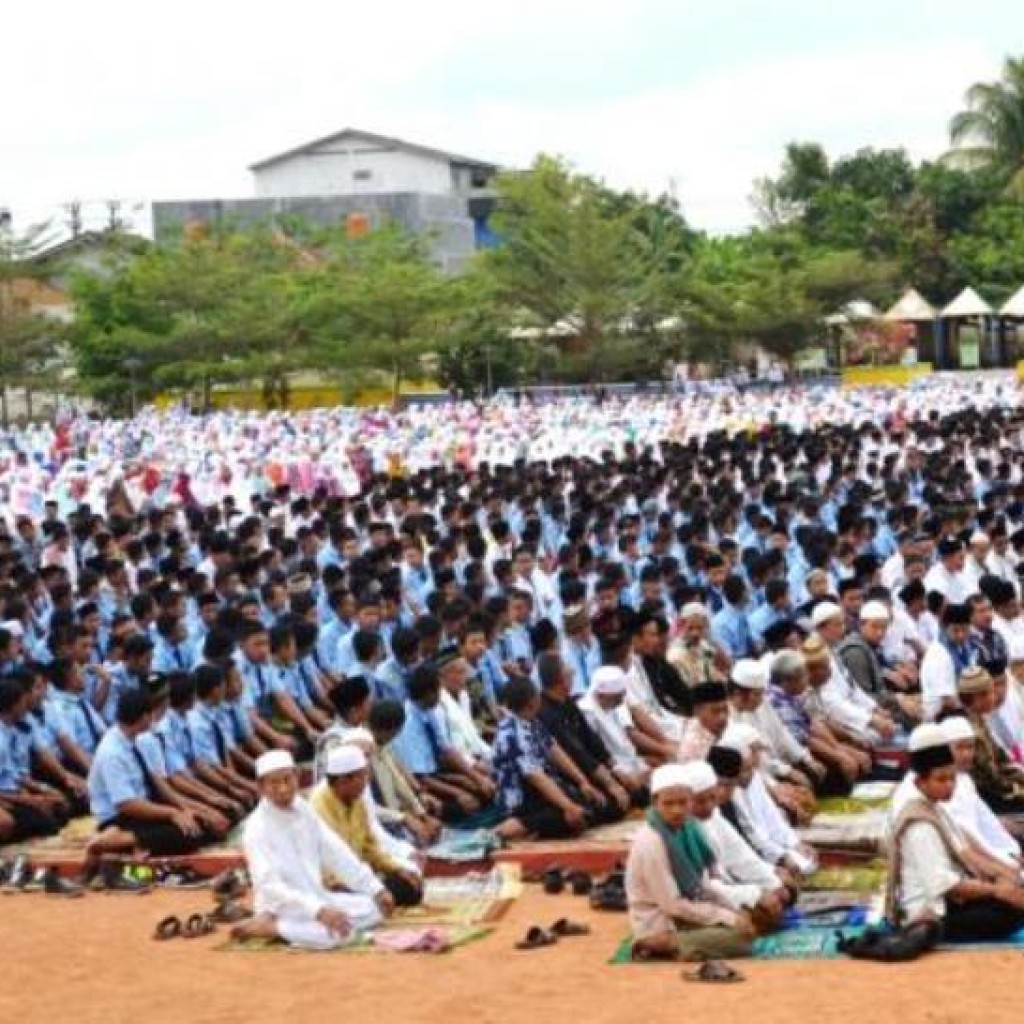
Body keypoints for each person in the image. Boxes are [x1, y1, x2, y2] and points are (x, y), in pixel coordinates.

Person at [233, 750, 392, 950]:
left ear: (296, 777)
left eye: (287, 779)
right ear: (261, 787)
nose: (283, 788)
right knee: (336, 935)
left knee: (374, 909)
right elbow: (270, 886)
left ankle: (296, 928)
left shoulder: (304, 810)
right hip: (282, 907)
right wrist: (318, 911)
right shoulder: (256, 828)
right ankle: (272, 927)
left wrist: (375, 888)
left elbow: (336, 852)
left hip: (318, 896)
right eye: (274, 783)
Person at [886, 724, 1024, 942]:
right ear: (919, 781)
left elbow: (964, 849)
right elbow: (947, 886)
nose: (950, 786)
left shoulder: (933, 801)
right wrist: (996, 890)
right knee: (1008, 911)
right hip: (929, 913)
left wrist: (1003, 875)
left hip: (954, 895)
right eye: (942, 780)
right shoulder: (919, 822)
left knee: (1013, 893)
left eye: (952, 779)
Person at [625, 763, 760, 962]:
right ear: (655, 802)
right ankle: (659, 943)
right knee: (738, 940)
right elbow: (672, 905)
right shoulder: (651, 842)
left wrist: (733, 910)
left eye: (683, 802)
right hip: (662, 921)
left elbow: (702, 886)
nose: (677, 810)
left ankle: (689, 941)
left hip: (688, 911)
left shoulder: (689, 830)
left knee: (753, 916)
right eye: (668, 804)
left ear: (691, 800)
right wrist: (727, 918)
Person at [308, 744, 424, 907]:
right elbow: (325, 860)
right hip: (331, 884)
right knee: (367, 908)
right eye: (362, 776)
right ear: (342, 780)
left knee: (410, 887)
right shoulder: (319, 806)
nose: (366, 781)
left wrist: (397, 869)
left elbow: (369, 848)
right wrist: (349, 887)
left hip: (357, 876)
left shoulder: (356, 799)